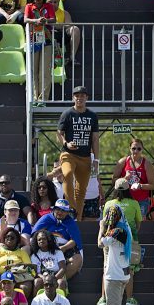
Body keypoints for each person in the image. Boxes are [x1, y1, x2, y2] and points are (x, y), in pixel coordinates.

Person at [56, 86, 99, 219]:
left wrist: (96, 160)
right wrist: (66, 143)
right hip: (68, 154)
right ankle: (71, 208)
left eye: (82, 95)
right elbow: (59, 133)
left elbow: (95, 139)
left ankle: (77, 220)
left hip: (85, 157)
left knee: (81, 191)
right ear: (73, 98)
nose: (79, 98)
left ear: (87, 97)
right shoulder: (67, 114)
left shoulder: (92, 116)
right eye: (77, 95)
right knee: (67, 174)